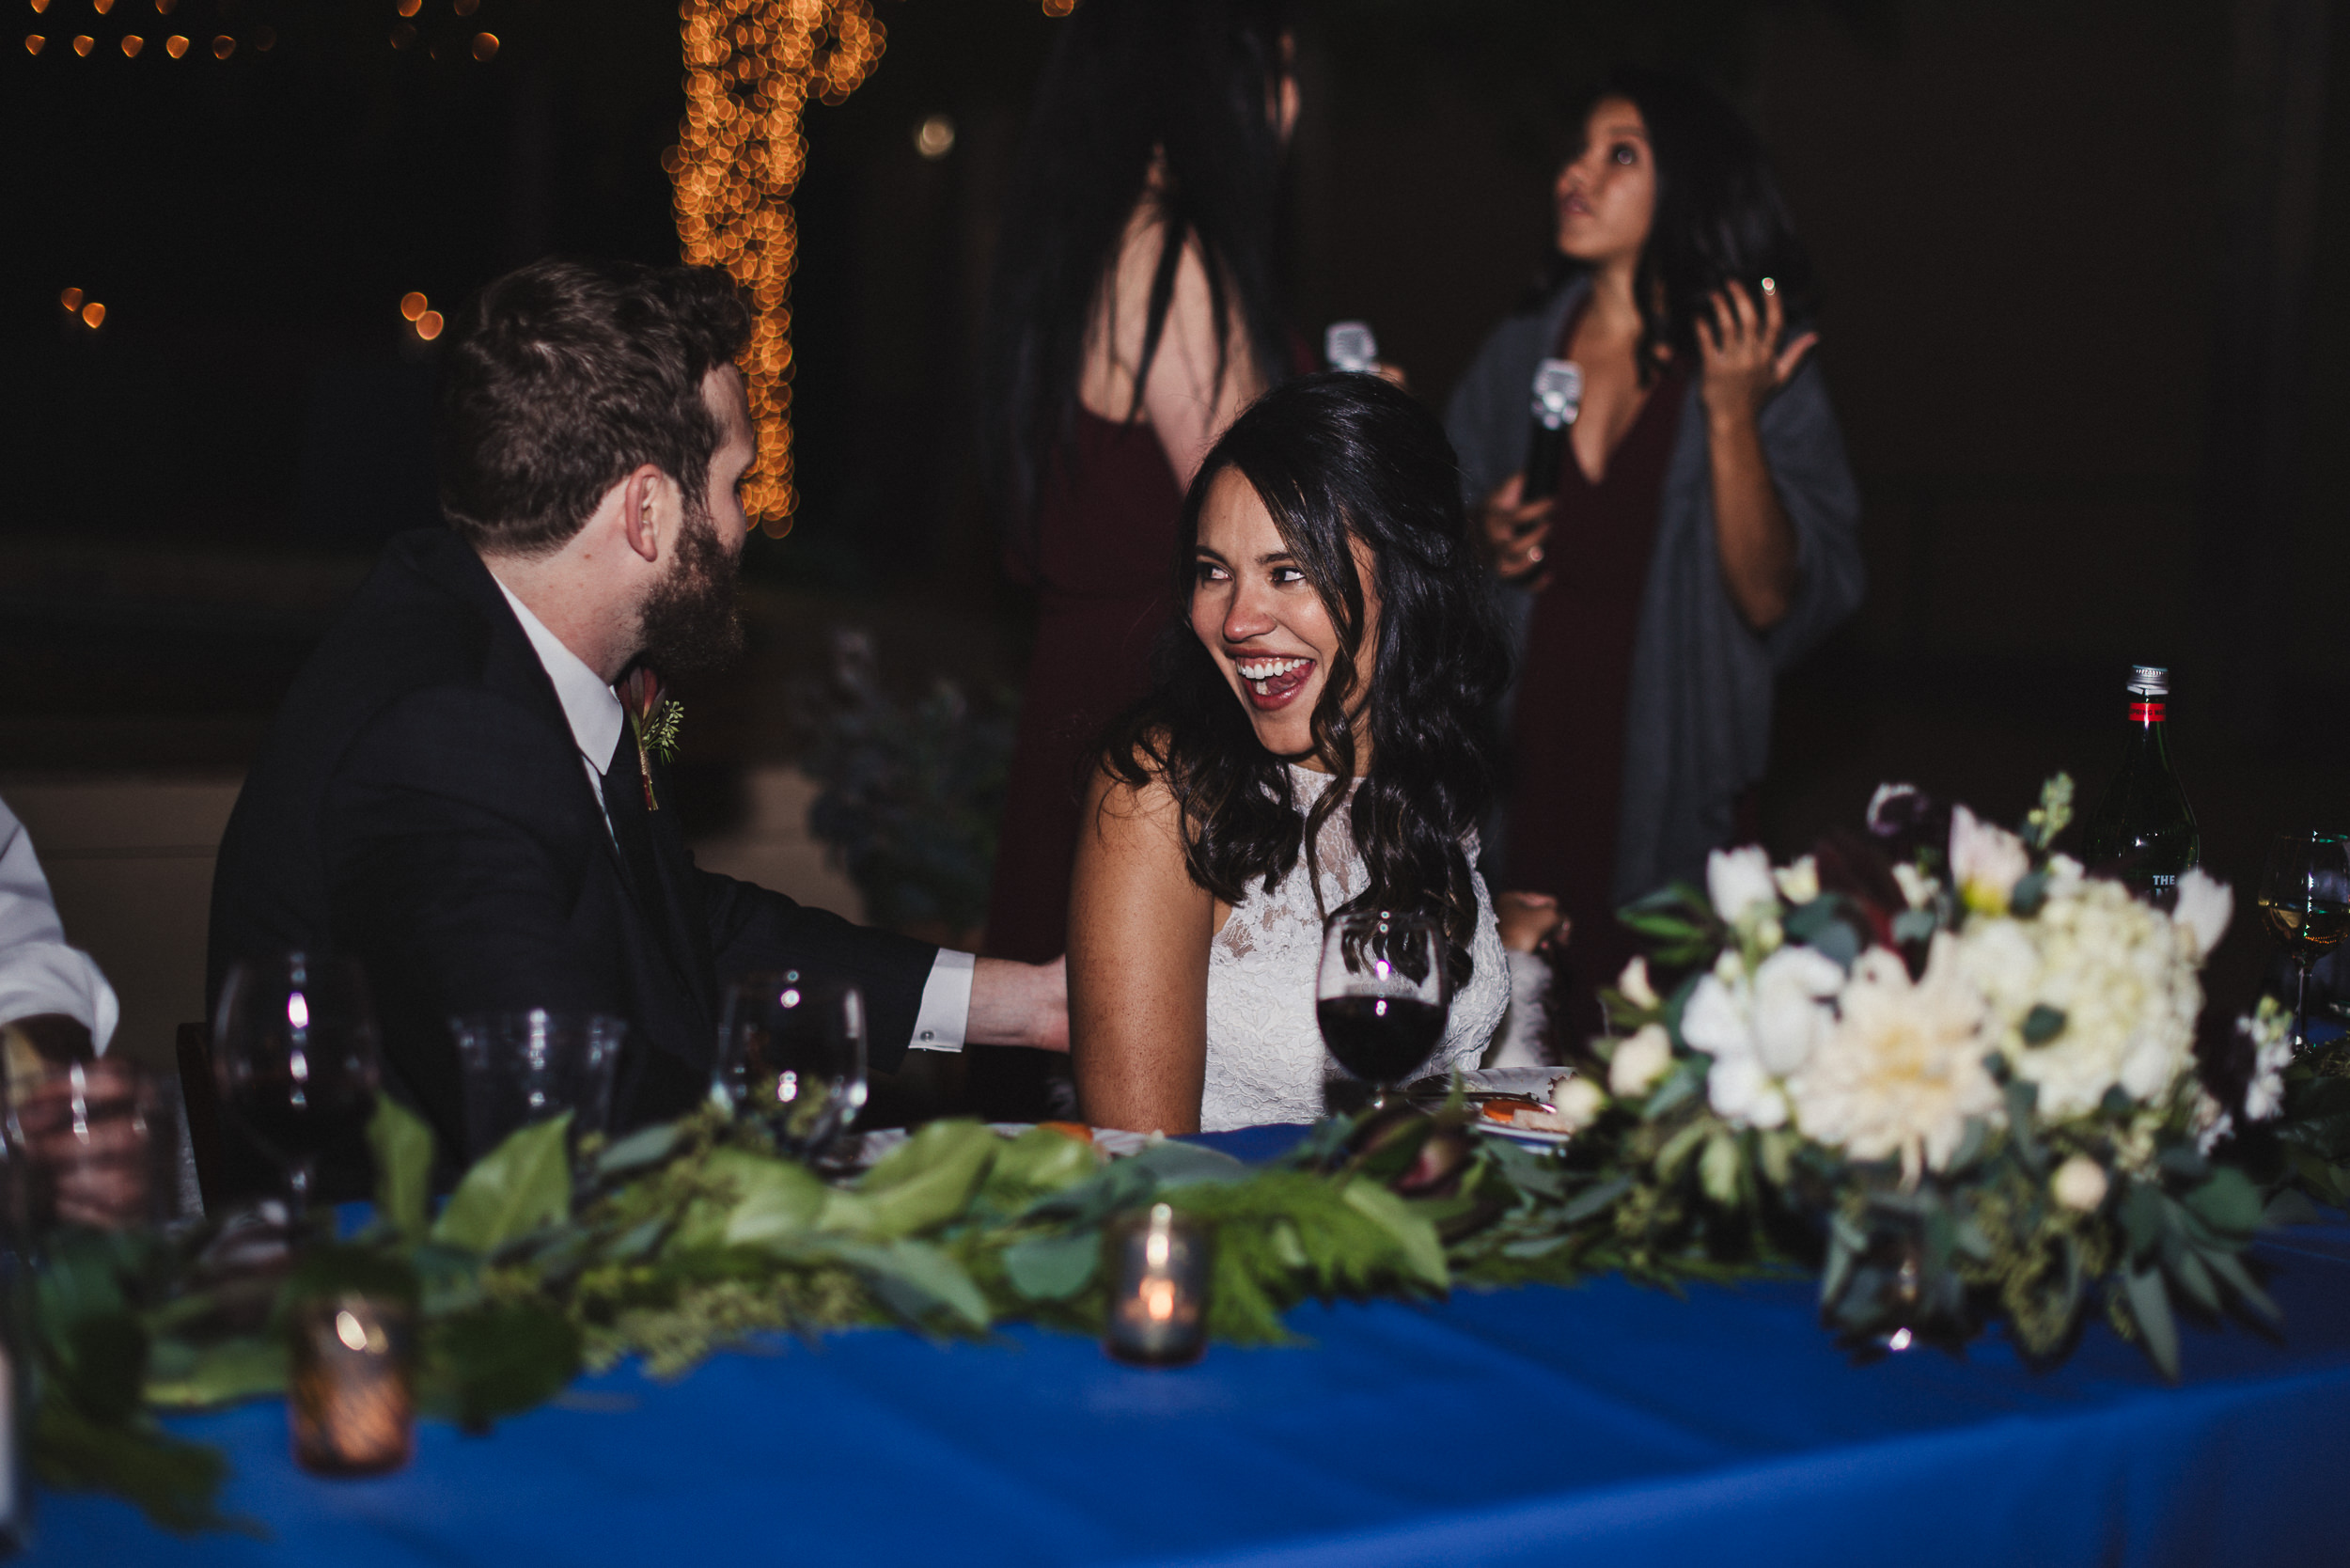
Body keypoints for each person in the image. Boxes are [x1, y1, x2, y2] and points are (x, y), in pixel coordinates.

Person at [209, 259, 1067, 1184]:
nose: (742, 528)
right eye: (736, 485)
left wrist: (1025, 1003)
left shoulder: (490, 640)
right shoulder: (437, 738)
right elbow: (572, 1123)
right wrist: (898, 1182)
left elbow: (672, 925)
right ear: (648, 510)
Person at [1445, 66, 1864, 1046]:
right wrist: (1476, 533)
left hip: (1669, 765)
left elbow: (1771, 599)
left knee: (1652, 1059)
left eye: (1618, 154)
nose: (1575, 173)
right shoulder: (1519, 351)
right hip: (1520, 757)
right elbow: (1426, 516)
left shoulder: (1758, 359)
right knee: (1507, 1048)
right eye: (1577, 151)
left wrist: (1729, 418)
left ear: (1686, 185)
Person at [1069, 374, 1514, 1134]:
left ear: (1405, 576)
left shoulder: (1426, 772)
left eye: (1288, 572)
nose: (1237, 620)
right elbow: (1143, 1168)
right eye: (1215, 573)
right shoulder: (1162, 788)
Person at [978, 0, 1300, 982]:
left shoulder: (1085, 246)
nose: (1290, 101)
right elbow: (1269, 514)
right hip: (1158, 702)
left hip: (1097, 689)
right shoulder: (1162, 256)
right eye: (1275, 69)